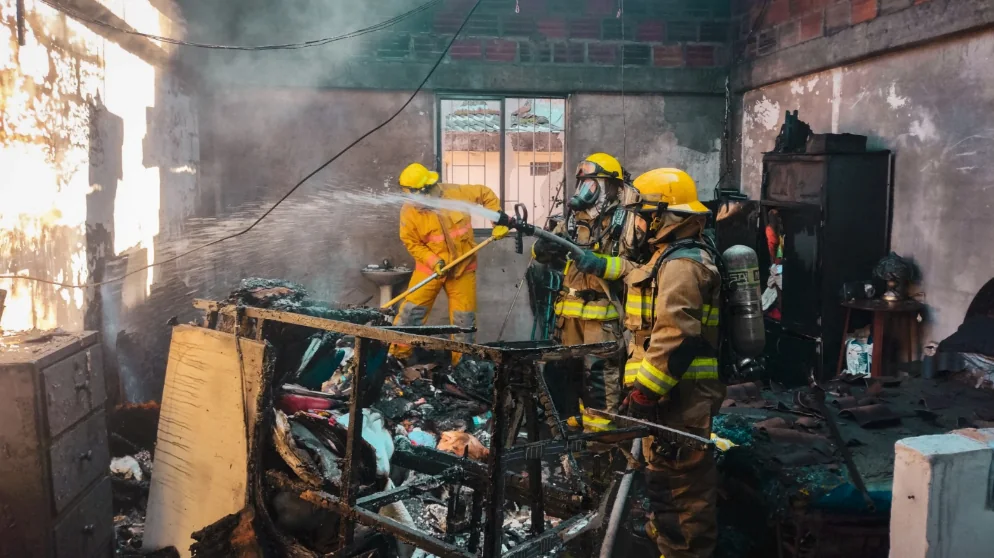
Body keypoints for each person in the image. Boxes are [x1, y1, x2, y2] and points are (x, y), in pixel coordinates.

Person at [574, 168, 724, 558]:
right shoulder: (668, 256)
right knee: (664, 488)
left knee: (682, 497)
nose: (637, 221)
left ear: (664, 216)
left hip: (680, 399)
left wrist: (644, 394)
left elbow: (676, 336)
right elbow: (633, 274)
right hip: (672, 397)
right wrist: (591, 261)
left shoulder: (682, 266)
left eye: (643, 213)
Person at [532, 153, 639, 432]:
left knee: (599, 382)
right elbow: (541, 252)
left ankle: (600, 443)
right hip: (567, 320)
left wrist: (604, 265)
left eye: (593, 184)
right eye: (582, 184)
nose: (584, 191)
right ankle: (569, 439)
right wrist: (543, 250)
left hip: (603, 321)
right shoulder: (570, 219)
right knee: (565, 379)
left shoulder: (629, 220)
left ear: (613, 186)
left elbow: (641, 269)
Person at [390, 163, 509, 363]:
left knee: (464, 321)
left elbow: (485, 193)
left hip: (463, 270)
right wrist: (434, 261)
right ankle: (397, 360)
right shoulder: (409, 212)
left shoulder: (455, 193)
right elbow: (412, 244)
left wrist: (499, 221)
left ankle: (463, 366)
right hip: (430, 270)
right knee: (410, 315)